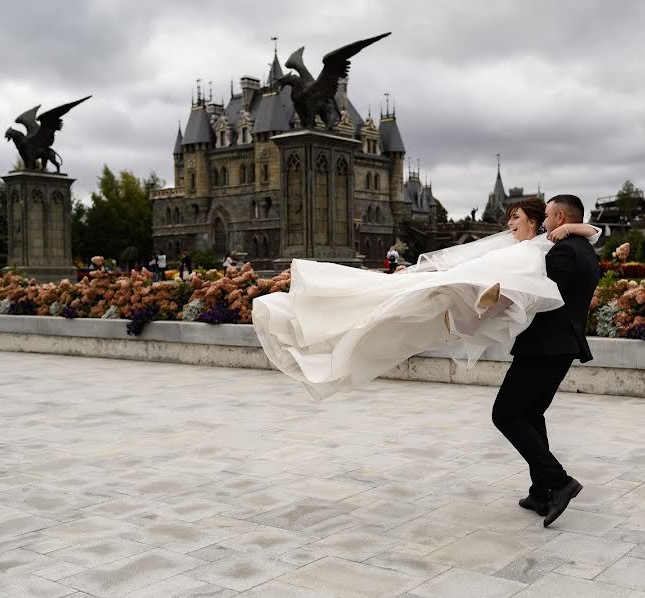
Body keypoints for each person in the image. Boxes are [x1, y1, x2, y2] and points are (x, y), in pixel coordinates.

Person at [252, 196, 600, 401]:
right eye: (509, 218)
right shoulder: (516, 246)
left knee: (391, 324)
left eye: (516, 218)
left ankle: (322, 346)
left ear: (541, 222)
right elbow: (459, 261)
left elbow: (594, 231)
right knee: (383, 309)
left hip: (464, 303)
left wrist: (569, 228)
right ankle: (309, 331)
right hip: (450, 293)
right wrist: (419, 274)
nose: (510, 223)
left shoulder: (542, 247)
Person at [493, 194, 600, 528]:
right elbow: (595, 231)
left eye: (552, 217)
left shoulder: (564, 252)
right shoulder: (584, 248)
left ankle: (559, 481)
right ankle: (541, 491)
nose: (548, 224)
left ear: (560, 217)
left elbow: (541, 296)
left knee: (506, 414)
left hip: (546, 346)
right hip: (556, 346)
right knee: (529, 414)